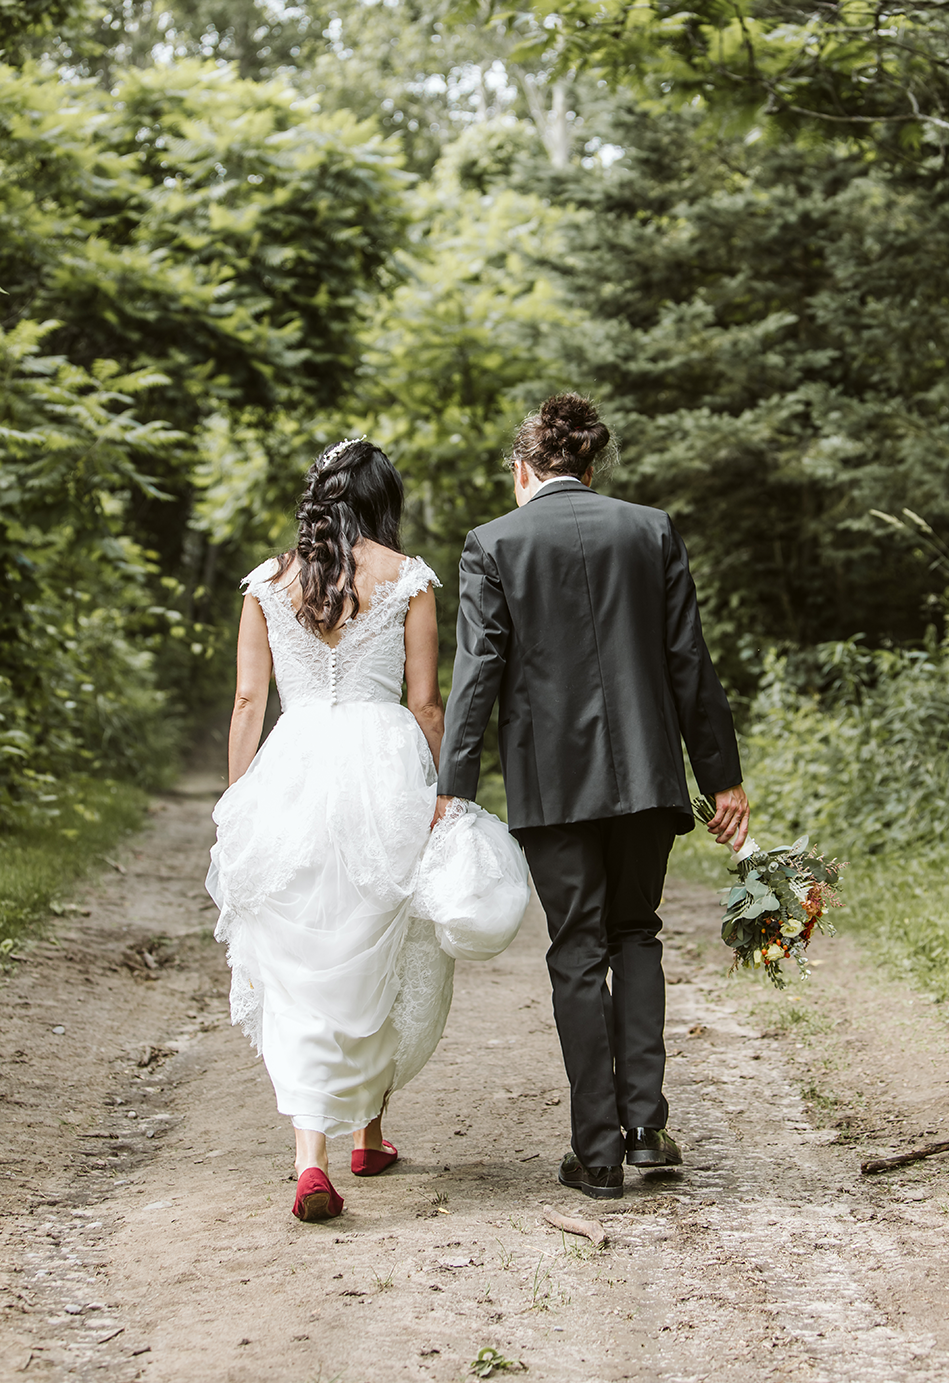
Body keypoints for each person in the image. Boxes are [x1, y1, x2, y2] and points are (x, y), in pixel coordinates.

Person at [434, 394, 749, 1200]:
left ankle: (596, 1152)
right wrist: (721, 776)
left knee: (577, 949)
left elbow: (478, 676)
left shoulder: (492, 544)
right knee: (636, 933)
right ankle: (646, 1128)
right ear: (591, 464)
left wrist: (453, 787)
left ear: (523, 468)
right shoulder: (649, 530)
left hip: (554, 785)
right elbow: (689, 660)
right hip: (648, 779)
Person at [206, 438, 455, 1222]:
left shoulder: (267, 582)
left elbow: (250, 701)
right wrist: (448, 788)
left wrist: (237, 797)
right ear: (383, 499)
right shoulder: (409, 579)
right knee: (381, 932)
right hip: (384, 764)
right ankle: (368, 1132)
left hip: (296, 763)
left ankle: (310, 1157)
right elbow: (424, 703)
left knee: (303, 942)